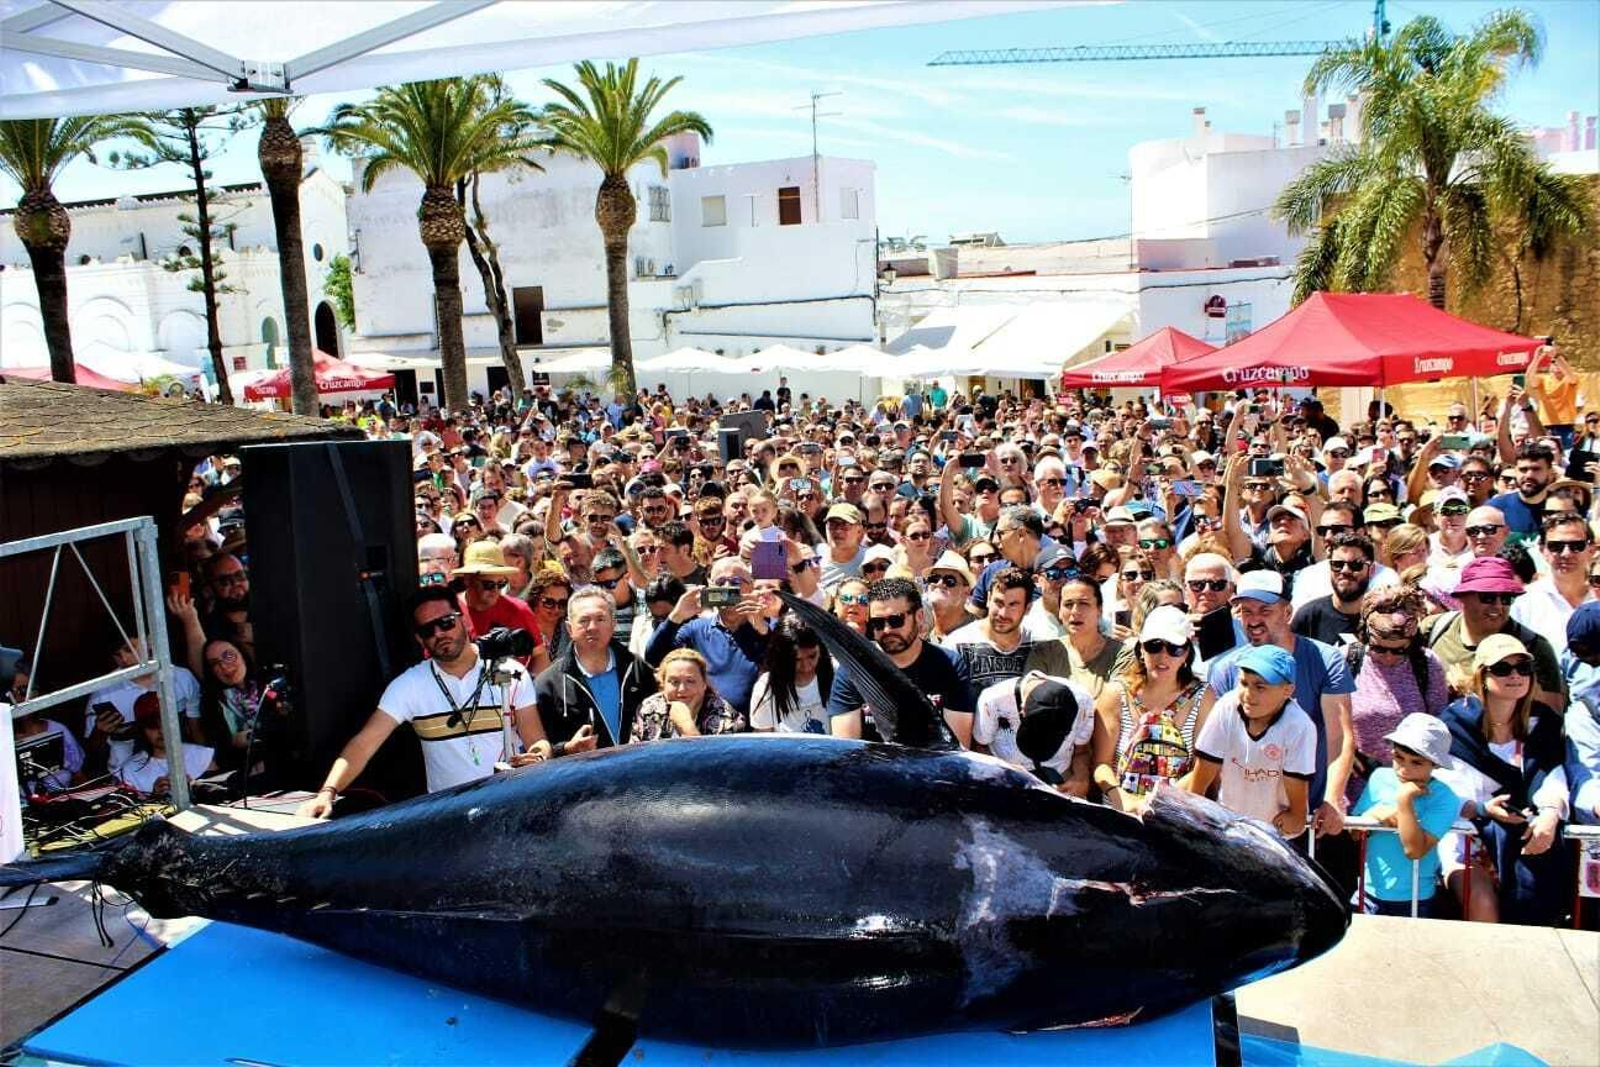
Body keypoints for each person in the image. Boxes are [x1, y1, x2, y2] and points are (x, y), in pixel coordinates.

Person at [299, 587, 559, 815]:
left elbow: (537, 739)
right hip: (449, 817)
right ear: (419, 638)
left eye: (446, 622)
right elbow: (363, 744)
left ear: (462, 620)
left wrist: (538, 757)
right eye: (427, 629)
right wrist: (327, 792)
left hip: (509, 805)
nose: (439, 633)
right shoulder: (409, 686)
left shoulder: (510, 671)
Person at [1437, 634, 1571, 925]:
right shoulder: (1455, 724)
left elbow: (1553, 778)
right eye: (1502, 668)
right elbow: (1446, 794)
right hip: (1467, 836)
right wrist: (1484, 811)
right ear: (1481, 676)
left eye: (1523, 668)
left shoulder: (1543, 722)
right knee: (1482, 903)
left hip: (1526, 835)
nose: (1515, 676)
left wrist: (1550, 814)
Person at [1184, 644, 1317, 840]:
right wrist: (1193, 815)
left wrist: (1296, 816)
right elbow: (1203, 771)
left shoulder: (1299, 726)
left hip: (1274, 833)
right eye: (1243, 683)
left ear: (1287, 690)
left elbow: (1297, 798)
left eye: (1260, 687)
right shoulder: (1226, 707)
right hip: (1227, 826)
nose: (1248, 693)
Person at [829, 577, 973, 745]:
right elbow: (847, 747)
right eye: (877, 623)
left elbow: (957, 748)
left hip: (934, 760)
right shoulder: (853, 669)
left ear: (919, 617)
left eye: (896, 620)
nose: (887, 630)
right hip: (873, 761)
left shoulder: (949, 665)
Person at [1091, 605, 1207, 810]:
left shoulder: (1204, 697)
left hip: (1176, 814)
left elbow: (1202, 769)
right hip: (1120, 815)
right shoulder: (1114, 693)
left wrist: (1159, 804)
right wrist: (1124, 800)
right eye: (1154, 646)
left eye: (1174, 648)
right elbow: (1101, 764)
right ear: (1141, 649)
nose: (1163, 656)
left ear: (1186, 653)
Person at [1351, 713, 1463, 917]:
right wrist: (1371, 815)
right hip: (1366, 894)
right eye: (1398, 757)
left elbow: (1414, 850)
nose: (1404, 769)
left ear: (1435, 764)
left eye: (1416, 762)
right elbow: (1355, 834)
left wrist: (1404, 801)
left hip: (1416, 900)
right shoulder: (1379, 777)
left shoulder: (1445, 797)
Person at [1426, 556, 1563, 708]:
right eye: (1488, 597)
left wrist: (1474, 692)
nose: (1498, 606)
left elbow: (1554, 709)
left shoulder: (1534, 646)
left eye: (1506, 598)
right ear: (1462, 597)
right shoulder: (1433, 629)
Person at [646, 556, 774, 715]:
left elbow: (787, 668)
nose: (727, 588)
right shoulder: (696, 629)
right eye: (720, 583)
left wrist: (764, 633)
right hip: (707, 725)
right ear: (710, 588)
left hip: (754, 726)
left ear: (751, 587)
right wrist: (676, 616)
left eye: (736, 582)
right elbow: (653, 657)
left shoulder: (767, 627)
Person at [533, 585, 656, 750]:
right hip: (580, 767)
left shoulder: (638, 670)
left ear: (613, 624)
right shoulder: (548, 684)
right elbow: (540, 747)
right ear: (569, 628)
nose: (592, 627)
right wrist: (566, 749)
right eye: (584, 620)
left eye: (600, 619)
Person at [972, 672, 1095, 793]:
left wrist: (1081, 777)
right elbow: (981, 747)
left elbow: (1081, 750)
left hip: (1060, 778)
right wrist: (1001, 773)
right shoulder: (992, 701)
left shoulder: (1083, 701)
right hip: (1005, 779)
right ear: (1022, 710)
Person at [1027, 572, 1126, 698]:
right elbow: (1032, 700)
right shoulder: (1043, 653)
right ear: (1060, 612)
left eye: (1083, 603)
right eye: (1068, 605)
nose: (1075, 611)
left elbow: (1117, 701)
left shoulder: (1121, 654)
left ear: (1099, 610)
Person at [1509, 511, 1595, 657]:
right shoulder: (1524, 603)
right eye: (1556, 546)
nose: (1566, 553)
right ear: (1542, 550)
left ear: (1591, 549)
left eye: (1576, 545)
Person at [454, 541, 548, 671]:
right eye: (489, 585)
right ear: (468, 580)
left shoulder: (519, 609)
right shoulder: (450, 612)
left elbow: (539, 654)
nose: (496, 590)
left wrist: (529, 681)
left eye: (501, 584)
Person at [941, 566, 1035, 691]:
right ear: (989, 598)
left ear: (1027, 608)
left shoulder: (1038, 645)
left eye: (1013, 605)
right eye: (998, 602)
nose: (1003, 613)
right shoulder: (956, 645)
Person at [632, 648, 747, 740]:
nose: (682, 689)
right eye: (674, 682)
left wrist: (686, 725)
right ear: (663, 685)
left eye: (690, 681)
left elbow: (715, 761)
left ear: (704, 684)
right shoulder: (648, 709)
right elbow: (636, 757)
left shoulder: (725, 715)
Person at [117, 691, 218, 796]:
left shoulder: (201, 755)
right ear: (142, 729)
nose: (161, 731)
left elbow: (220, 796)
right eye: (152, 725)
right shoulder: (129, 771)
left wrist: (194, 788)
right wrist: (155, 797)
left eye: (165, 723)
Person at [750, 615, 834, 734]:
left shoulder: (836, 673)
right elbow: (763, 738)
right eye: (796, 660)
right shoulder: (766, 687)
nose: (806, 666)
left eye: (812, 656)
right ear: (782, 657)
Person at [1290, 534, 1377, 646]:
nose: (1345, 571)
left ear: (1371, 570)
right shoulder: (1309, 616)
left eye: (1355, 565)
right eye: (1337, 564)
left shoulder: (1382, 617)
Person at [925, 551, 976, 641]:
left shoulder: (978, 633)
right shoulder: (918, 626)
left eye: (950, 580)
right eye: (934, 578)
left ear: (966, 592)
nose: (939, 584)